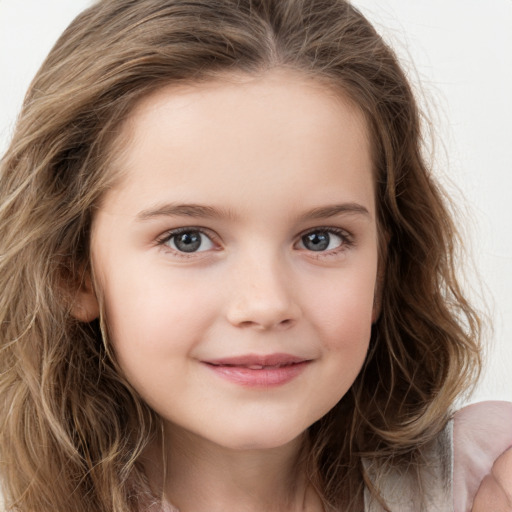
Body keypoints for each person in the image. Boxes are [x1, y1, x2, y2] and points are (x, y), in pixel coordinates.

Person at [0, 0, 510, 511]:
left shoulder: (484, 481)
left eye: (321, 239)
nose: (266, 305)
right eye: (188, 239)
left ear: (383, 269)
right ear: (72, 271)